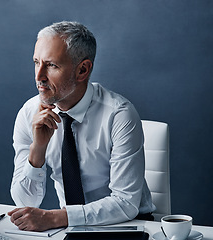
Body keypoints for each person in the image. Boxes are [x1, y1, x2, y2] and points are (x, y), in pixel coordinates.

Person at [8, 21, 155, 232]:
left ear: (82, 70)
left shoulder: (119, 114)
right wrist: (38, 149)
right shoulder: (30, 113)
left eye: (51, 65)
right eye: (36, 62)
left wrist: (54, 219)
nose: (38, 76)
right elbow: (24, 202)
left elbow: (125, 204)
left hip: (129, 226)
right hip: (71, 228)